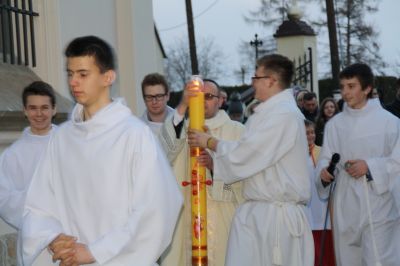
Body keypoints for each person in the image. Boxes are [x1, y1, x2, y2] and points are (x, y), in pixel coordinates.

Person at [21, 35, 182, 265]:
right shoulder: (61, 139)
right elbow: (39, 205)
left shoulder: (134, 135)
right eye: (70, 73)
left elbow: (155, 211)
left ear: (108, 77)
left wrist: (94, 251)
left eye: (83, 74)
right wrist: (52, 237)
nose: (73, 82)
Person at [187, 54, 314, 266]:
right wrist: (215, 157)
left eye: (256, 77)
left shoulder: (284, 115)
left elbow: (250, 153)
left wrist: (211, 142)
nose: (252, 82)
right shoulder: (264, 114)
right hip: (258, 213)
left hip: (276, 218)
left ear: (271, 80)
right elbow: (249, 157)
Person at [316, 63, 400, 265]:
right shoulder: (335, 124)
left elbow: (397, 161)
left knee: (379, 260)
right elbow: (326, 159)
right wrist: (324, 174)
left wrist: (370, 167)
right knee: (348, 259)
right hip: (346, 204)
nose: (345, 92)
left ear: (367, 88)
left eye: (351, 86)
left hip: (379, 203)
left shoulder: (390, 122)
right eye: (343, 86)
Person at [158, 78, 245, 266]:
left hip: (224, 219)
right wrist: (181, 105)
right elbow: (163, 153)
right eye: (198, 96)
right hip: (187, 219)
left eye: (209, 96)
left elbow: (246, 175)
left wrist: (215, 168)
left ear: (220, 100)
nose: (203, 100)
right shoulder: (181, 127)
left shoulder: (238, 131)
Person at [0, 81, 57, 265]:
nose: (39, 114)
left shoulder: (70, 145)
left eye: (44, 108)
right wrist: (41, 202)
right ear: (24, 110)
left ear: (54, 110)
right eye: (33, 108)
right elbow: (4, 200)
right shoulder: (12, 155)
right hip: (33, 242)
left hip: (72, 236)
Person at [304, 120, 335, 266]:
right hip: (306, 209)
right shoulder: (296, 155)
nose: (310, 136)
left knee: (325, 249)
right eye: (306, 133)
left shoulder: (322, 152)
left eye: (312, 132)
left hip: (322, 208)